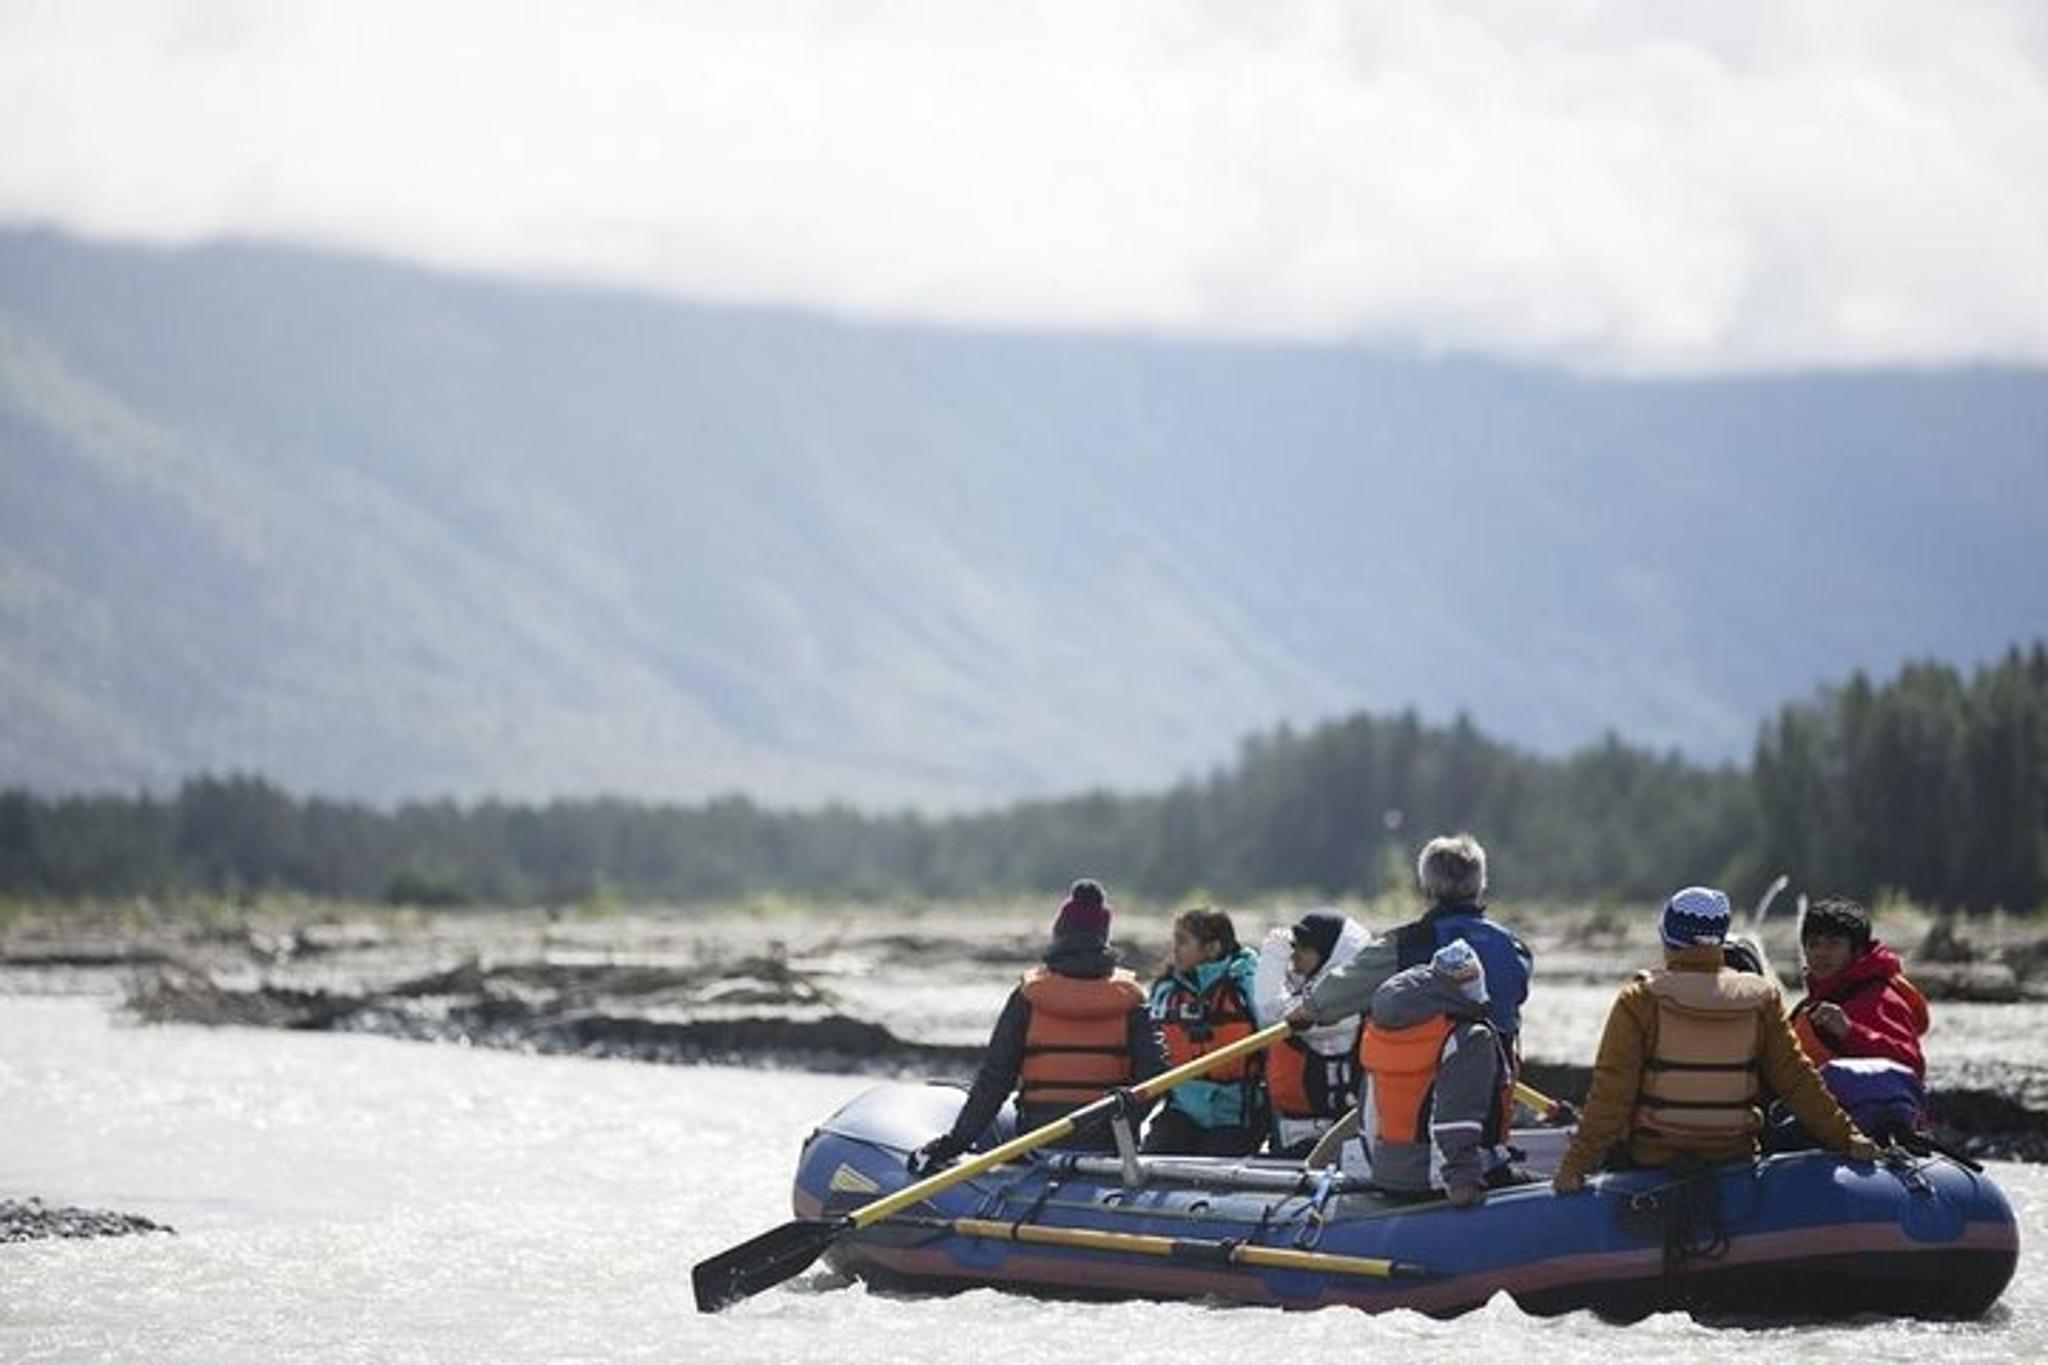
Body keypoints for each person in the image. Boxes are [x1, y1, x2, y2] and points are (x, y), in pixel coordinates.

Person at [1552, 887, 1878, 1193]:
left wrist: (1574, 1167)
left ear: (1668, 938)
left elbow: (1611, 1095)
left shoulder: (1639, 1000)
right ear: (1720, 941)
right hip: (1734, 1159)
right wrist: (1847, 1138)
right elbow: (1797, 1080)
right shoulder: (1761, 998)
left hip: (1652, 1161)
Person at [908, 879, 1166, 1172]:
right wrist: (1125, 1120)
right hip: (1108, 1147)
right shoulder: (1131, 1001)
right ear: (1103, 939)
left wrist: (953, 1144)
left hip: (1038, 1143)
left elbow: (994, 1080)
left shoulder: (1028, 997)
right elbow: (1155, 1076)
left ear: (1059, 935)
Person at [1285, 833, 1530, 1053]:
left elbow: (1340, 989)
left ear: (1426, 889)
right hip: (1494, 1085)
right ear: (1481, 885)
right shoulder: (1514, 948)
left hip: (1425, 1087)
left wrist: (1307, 1010)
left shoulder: (1406, 945)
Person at [1351, 940, 1515, 1207]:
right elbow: (1456, 1116)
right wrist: (1462, 1181)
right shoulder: (1468, 1038)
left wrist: (1378, 1170)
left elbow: (1368, 1113)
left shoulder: (1379, 1029)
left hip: (1388, 1175)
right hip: (1440, 1181)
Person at [1787, 896, 1932, 1137]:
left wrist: (1849, 1032)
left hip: (1872, 1132)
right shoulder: (1811, 1004)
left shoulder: (1881, 998)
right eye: (1814, 944)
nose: (1821, 953)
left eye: (1833, 944)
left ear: (1856, 950)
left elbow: (1911, 1065)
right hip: (1824, 1123)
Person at [1253, 909, 1376, 1158]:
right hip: (1295, 1131)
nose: (1294, 955)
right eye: (1294, 947)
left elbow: (1269, 1014)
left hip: (1344, 1136)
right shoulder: (1302, 994)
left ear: (1332, 957)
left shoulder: (1344, 1005)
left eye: (1304, 949)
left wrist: (1274, 955)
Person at [1143, 907, 1266, 1156]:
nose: (1174, 949)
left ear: (1212, 948)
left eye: (1183, 941)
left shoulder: (1247, 983)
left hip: (1234, 1114)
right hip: (1183, 1108)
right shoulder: (1166, 990)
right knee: (1152, 1158)